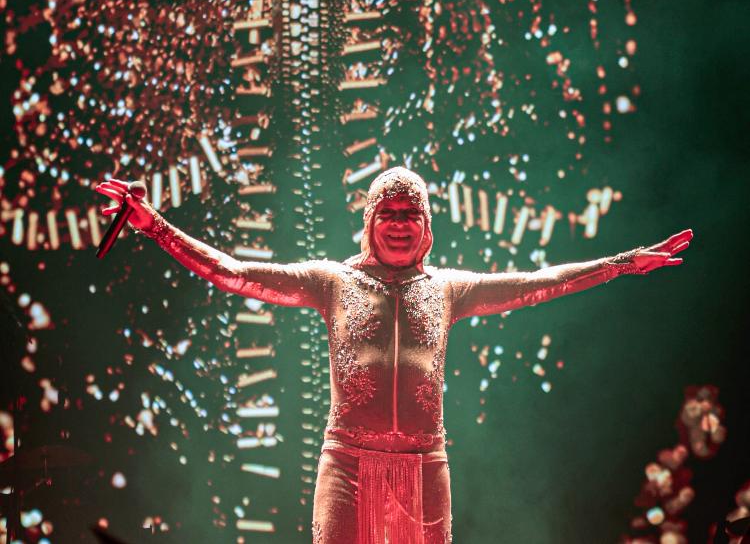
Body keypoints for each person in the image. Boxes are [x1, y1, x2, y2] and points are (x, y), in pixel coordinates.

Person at [95, 166, 692, 543]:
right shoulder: (332, 281)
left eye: (411, 215)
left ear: (427, 227)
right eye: (389, 213)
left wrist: (624, 262)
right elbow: (233, 273)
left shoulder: (451, 288)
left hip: (426, 466)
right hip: (348, 467)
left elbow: (541, 281)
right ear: (370, 222)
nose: (399, 224)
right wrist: (154, 226)